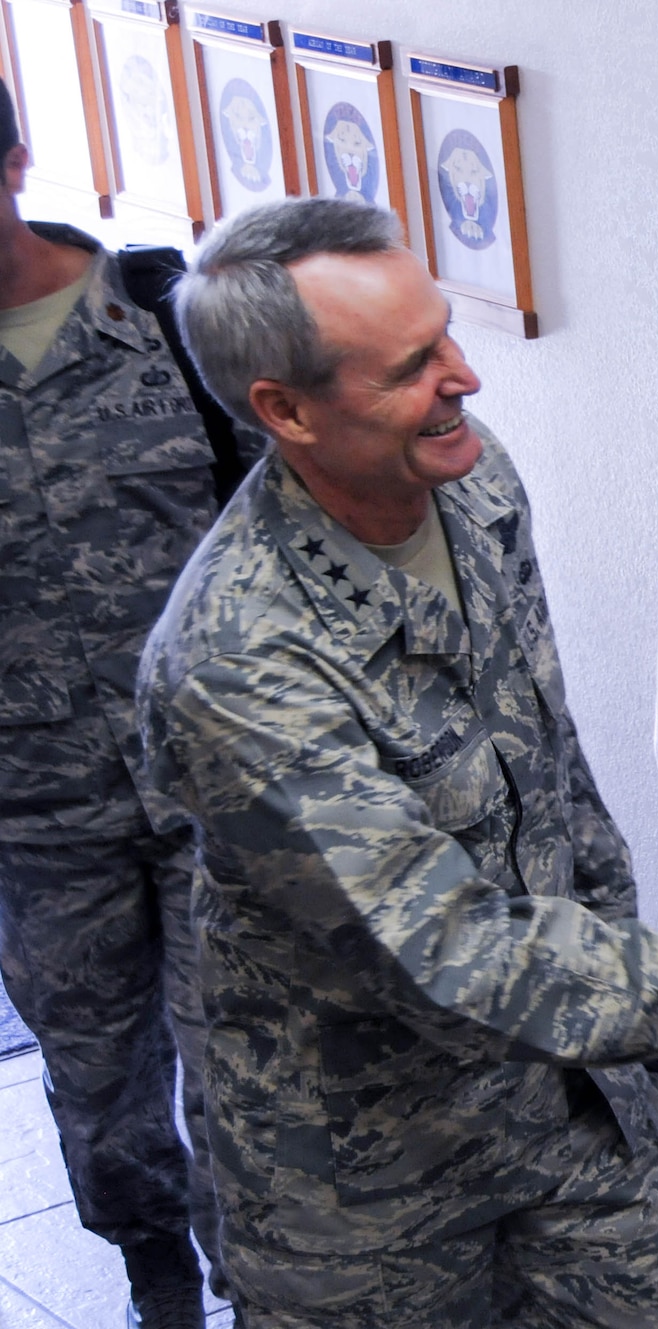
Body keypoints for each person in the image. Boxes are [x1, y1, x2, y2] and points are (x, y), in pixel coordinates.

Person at [137, 197, 658, 1329]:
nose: (463, 377)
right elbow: (455, 960)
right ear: (286, 409)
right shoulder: (235, 661)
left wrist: (640, 1067)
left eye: (447, 333)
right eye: (411, 364)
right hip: (365, 1184)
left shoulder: (471, 486)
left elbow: (554, 782)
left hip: (568, 1109)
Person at [0, 79, 223, 1328]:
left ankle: (275, 1289)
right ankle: (159, 1288)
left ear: (19, 159)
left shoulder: (167, 317)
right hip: (37, 820)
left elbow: (280, 535)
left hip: (210, 793)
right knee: (99, 1094)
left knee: (252, 1075)